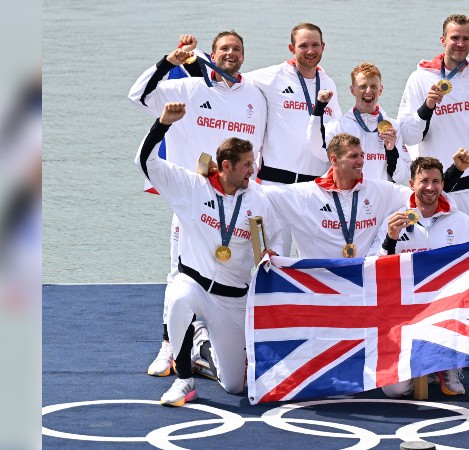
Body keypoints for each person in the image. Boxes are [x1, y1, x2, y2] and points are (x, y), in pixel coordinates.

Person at [128, 31, 267, 378]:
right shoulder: (190, 88)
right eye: (224, 49)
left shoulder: (255, 96)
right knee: (179, 273)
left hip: (236, 200)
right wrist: (168, 62)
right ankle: (169, 347)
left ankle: (213, 342)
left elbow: (259, 149)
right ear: (213, 54)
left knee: (235, 270)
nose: (230, 53)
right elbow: (138, 95)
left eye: (236, 48)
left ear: (243, 55)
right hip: (196, 198)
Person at [135, 102, 282, 406]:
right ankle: (184, 380)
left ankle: (200, 345)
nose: (252, 170)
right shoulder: (192, 187)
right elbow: (145, 162)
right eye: (246, 165)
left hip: (232, 298)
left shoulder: (259, 201)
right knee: (178, 297)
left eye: (252, 163)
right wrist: (163, 124)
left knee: (234, 387)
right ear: (225, 166)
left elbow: (273, 243)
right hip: (195, 284)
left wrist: (270, 255)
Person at [368, 152, 469, 397]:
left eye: (435, 181)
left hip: (446, 309)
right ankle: (426, 365)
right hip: (406, 311)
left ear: (443, 185)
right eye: (423, 181)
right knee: (394, 390)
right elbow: (374, 265)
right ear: (411, 184)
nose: (430, 187)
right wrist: (390, 239)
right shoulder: (395, 220)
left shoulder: (461, 221)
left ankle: (448, 363)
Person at [246, 23, 343, 257]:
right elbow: (233, 80)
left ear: (323, 47)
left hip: (314, 187)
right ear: (292, 48)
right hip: (275, 184)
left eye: (315, 45)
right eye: (303, 46)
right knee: (271, 256)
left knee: (314, 260)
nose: (310, 51)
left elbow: (338, 132)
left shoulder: (328, 83)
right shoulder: (272, 76)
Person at [397, 14, 469, 228]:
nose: (460, 44)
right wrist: (427, 107)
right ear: (443, 40)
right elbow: (407, 135)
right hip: (435, 190)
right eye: (454, 38)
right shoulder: (421, 77)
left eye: (466, 38)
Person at [263, 133, 409, 259]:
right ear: (334, 160)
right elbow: (258, 195)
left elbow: (418, 197)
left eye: (361, 155)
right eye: (353, 156)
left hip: (361, 281)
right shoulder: (306, 194)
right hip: (319, 284)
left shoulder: (380, 190)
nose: (361, 161)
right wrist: (272, 251)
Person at [306, 62, 412, 183]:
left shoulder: (393, 127)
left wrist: (392, 150)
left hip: (380, 197)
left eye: (373, 86)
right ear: (353, 90)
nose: (368, 91)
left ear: (380, 90)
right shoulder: (340, 126)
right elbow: (316, 150)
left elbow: (402, 176)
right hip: (349, 197)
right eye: (362, 86)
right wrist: (319, 107)